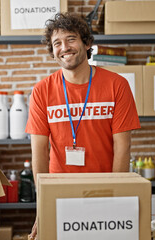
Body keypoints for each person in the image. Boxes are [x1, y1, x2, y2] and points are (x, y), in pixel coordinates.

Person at [25, 12, 140, 239]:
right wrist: (42, 205)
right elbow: (39, 152)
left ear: (87, 43)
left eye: (71, 39)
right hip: (59, 192)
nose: (64, 47)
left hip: (103, 189)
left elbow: (123, 147)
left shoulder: (117, 85)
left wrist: (114, 196)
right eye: (56, 43)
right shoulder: (42, 91)